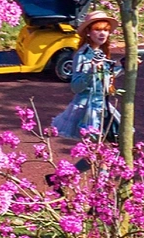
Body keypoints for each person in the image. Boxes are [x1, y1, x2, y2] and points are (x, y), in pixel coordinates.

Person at [50, 13, 121, 144]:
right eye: (98, 30)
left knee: (115, 142)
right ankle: (83, 166)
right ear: (88, 32)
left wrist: (124, 66)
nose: (102, 34)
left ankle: (100, 165)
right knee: (95, 149)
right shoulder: (82, 56)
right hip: (88, 109)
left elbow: (106, 77)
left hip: (103, 106)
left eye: (106, 30)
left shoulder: (102, 53)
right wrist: (91, 70)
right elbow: (76, 87)